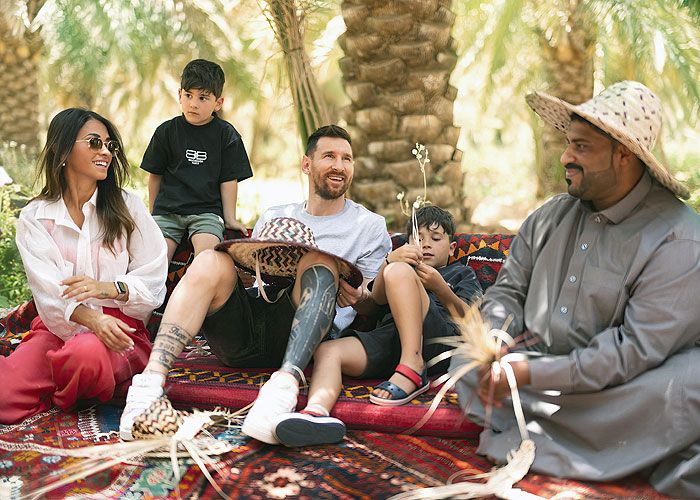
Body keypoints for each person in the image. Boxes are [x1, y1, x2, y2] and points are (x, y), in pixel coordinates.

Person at [450, 81, 700, 497]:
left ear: (625, 155)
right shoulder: (549, 218)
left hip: (625, 389)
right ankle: (585, 433)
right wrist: (494, 338)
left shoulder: (679, 239)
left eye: (581, 147)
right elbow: (507, 293)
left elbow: (632, 351)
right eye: (568, 144)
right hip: (534, 372)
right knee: (466, 359)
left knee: (688, 385)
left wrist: (529, 373)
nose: (566, 157)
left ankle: (557, 425)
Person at [119, 125, 392, 444]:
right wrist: (247, 273)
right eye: (329, 156)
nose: (339, 165)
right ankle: (148, 386)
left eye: (347, 158)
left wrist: (357, 297)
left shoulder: (369, 226)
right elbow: (250, 281)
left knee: (320, 262)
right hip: (243, 332)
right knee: (210, 259)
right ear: (307, 164)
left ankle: (281, 393)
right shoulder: (276, 215)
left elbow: (375, 304)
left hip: (306, 340)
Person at [0, 108, 168, 424]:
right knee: (4, 396)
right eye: (94, 142)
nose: (105, 151)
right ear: (63, 150)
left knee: (85, 355)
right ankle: (74, 385)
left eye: (110, 145)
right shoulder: (35, 217)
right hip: (58, 329)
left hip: (119, 330)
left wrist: (108, 289)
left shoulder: (127, 205)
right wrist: (90, 318)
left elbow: (154, 276)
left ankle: (63, 389)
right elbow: (48, 292)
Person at [271, 205, 483, 447]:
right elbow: (378, 299)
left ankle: (413, 366)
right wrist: (388, 262)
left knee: (399, 271)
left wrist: (440, 288)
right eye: (419, 238)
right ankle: (316, 412)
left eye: (435, 239)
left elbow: (473, 321)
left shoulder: (460, 273)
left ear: (452, 248)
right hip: (390, 339)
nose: (426, 245)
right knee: (328, 351)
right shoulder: (399, 266)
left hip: (435, 341)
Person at [141, 58, 253, 261]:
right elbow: (155, 175)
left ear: (218, 103)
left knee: (207, 258)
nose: (193, 104)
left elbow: (228, 180)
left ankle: (195, 290)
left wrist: (230, 218)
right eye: (188, 95)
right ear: (179, 95)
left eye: (203, 98)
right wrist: (153, 214)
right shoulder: (166, 131)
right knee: (154, 261)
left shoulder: (226, 135)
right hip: (167, 211)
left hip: (206, 213)